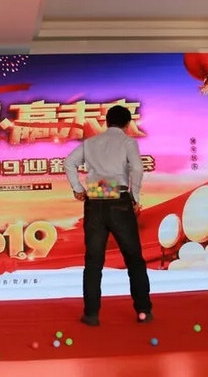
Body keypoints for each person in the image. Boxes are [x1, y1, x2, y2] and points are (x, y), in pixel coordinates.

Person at [64, 105, 152, 326]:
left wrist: (78, 188)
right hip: (119, 200)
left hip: (95, 198)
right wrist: (135, 196)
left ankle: (91, 314)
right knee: (134, 259)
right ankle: (143, 311)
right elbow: (137, 169)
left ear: (106, 122)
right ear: (127, 124)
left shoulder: (91, 142)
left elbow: (69, 162)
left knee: (93, 262)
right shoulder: (128, 142)